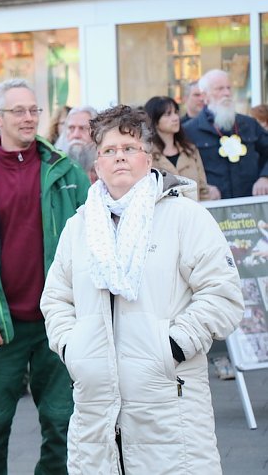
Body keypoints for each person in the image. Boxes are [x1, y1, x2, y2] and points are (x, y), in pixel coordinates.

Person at [41, 104, 244, 473]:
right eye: (109, 150)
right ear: (97, 163)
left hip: (168, 402)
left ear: (148, 157)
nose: (119, 157)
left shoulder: (185, 218)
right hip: (96, 409)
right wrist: (74, 348)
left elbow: (222, 294)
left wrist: (173, 346)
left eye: (129, 148)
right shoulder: (80, 226)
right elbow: (56, 298)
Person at [0, 78, 90, 474]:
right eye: (18, 111)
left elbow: (93, 245)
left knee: (63, 426)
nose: (28, 118)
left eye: (34, 110)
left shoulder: (68, 173)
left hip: (58, 324)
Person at [183, 69, 268, 198]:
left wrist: (265, 177)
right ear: (205, 96)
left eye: (229, 88)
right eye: (220, 89)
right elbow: (182, 170)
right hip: (214, 208)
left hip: (251, 205)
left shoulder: (250, 124)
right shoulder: (189, 130)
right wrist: (202, 188)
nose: (227, 93)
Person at [144, 96, 213, 201]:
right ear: (155, 120)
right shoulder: (147, 155)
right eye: (168, 114)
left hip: (193, 213)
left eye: (176, 112)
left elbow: (203, 189)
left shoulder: (190, 150)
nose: (175, 118)